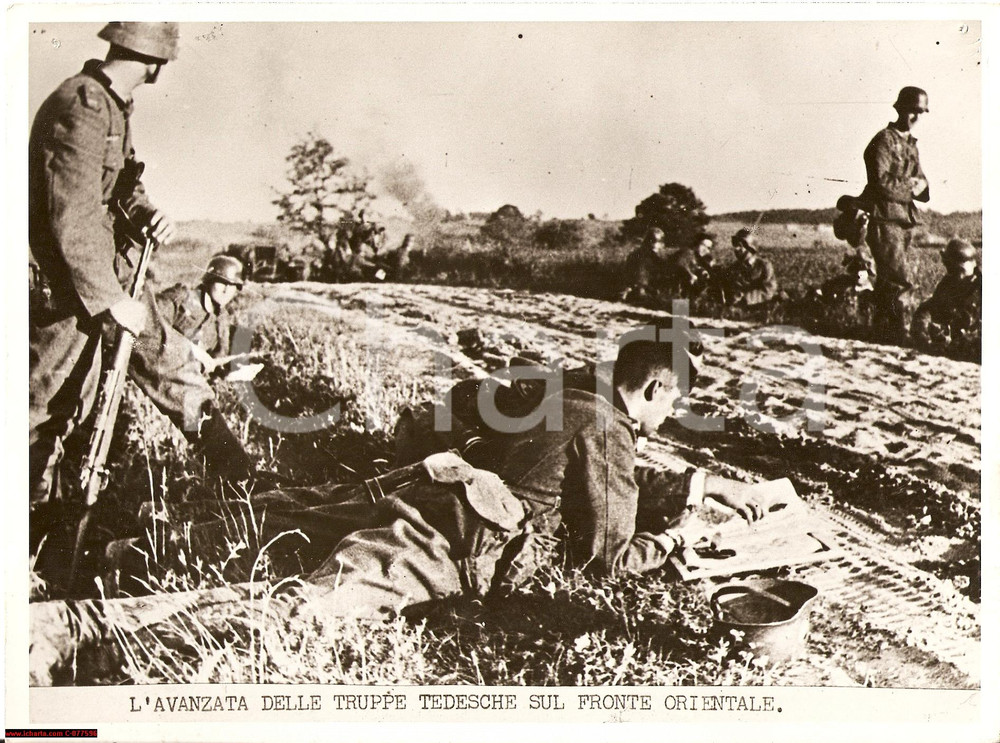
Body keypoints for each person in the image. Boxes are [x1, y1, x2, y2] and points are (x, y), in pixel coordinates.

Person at [29, 22, 180, 557]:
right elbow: (70, 215)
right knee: (38, 413)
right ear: (156, 64)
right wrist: (111, 296)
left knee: (74, 413)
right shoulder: (84, 105)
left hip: (86, 294)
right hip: (66, 295)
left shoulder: (111, 106)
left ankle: (43, 540)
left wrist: (147, 214)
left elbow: (118, 189)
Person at [129, 255, 258, 484]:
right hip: (147, 377)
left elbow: (217, 360)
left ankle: (221, 481)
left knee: (202, 426)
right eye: (223, 283)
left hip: (181, 391)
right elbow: (143, 332)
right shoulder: (182, 298)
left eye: (234, 287)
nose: (228, 291)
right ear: (209, 280)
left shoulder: (221, 320)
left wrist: (233, 370)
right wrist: (189, 349)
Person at [860, 86, 931, 342]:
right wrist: (910, 187)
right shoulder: (884, 141)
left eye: (921, 112)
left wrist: (921, 187)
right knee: (900, 278)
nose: (917, 118)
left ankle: (882, 334)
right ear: (900, 109)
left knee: (889, 280)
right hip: (884, 218)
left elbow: (921, 182)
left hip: (904, 219)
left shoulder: (910, 145)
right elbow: (879, 182)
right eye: (913, 111)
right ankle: (901, 335)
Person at [910, 239, 981, 360]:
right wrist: (923, 326)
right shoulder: (948, 283)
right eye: (952, 270)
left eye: (960, 271)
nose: (957, 276)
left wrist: (963, 339)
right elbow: (929, 308)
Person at [717, 228, 778, 307]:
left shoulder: (763, 266)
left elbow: (768, 290)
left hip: (757, 308)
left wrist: (745, 298)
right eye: (735, 245)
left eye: (740, 246)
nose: (736, 249)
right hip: (736, 310)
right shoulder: (734, 267)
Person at [620, 227, 672, 305]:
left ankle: (680, 313)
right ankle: (680, 314)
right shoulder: (650, 255)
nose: (656, 244)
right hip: (645, 291)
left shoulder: (635, 253)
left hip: (636, 289)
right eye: (655, 241)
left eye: (658, 241)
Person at [663, 232, 717, 301]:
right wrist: (690, 275)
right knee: (680, 310)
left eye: (708, 248)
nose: (705, 249)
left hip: (683, 293)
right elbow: (680, 264)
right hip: (676, 289)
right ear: (697, 244)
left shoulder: (699, 259)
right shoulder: (688, 252)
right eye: (703, 245)